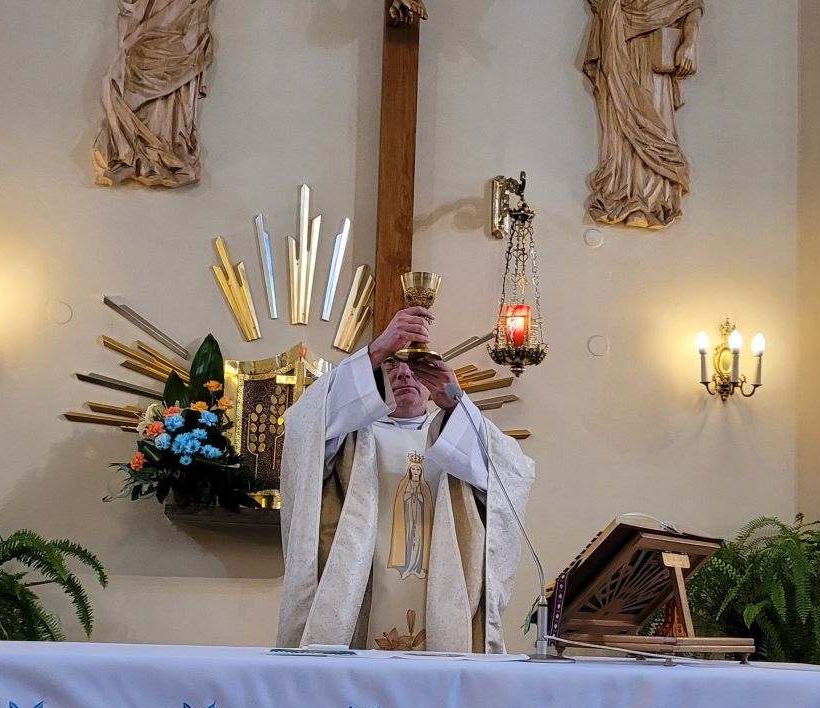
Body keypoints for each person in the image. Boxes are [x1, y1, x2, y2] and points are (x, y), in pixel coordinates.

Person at [277, 305, 534, 653]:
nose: (403, 374)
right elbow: (303, 426)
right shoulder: (351, 435)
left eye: (416, 366)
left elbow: (513, 475)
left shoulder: (454, 433)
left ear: (433, 379)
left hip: (437, 595)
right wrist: (376, 348)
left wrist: (456, 405)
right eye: (391, 363)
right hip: (362, 593)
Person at [583, 0, 703, 229]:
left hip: (654, 50)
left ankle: (653, 200)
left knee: (653, 121)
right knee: (620, 123)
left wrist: (690, 41)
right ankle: (621, 194)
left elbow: (691, 4)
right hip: (620, 47)